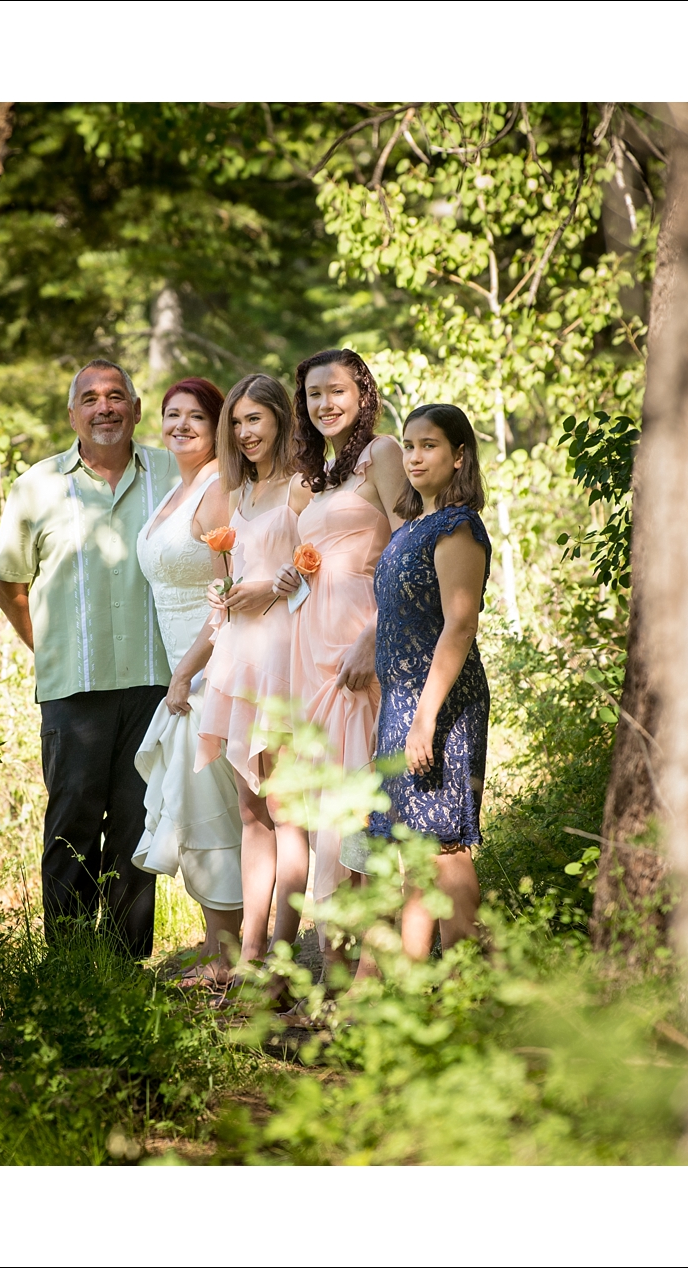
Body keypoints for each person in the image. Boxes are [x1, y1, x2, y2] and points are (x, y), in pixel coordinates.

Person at [0, 359, 179, 957]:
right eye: (91, 398)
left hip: (157, 685)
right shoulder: (37, 486)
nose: (105, 407)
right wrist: (48, 649)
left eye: (116, 396)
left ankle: (125, 965)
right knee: (72, 821)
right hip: (74, 687)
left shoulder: (175, 474)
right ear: (73, 414)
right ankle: (70, 965)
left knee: (137, 825)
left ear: (136, 408)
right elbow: (9, 582)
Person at [270, 349, 408, 919]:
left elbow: (408, 551)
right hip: (311, 645)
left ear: (362, 395)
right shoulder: (317, 478)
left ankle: (370, 973)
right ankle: (335, 973)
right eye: (313, 394)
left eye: (336, 391)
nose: (324, 403)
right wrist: (290, 577)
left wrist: (375, 637)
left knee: (357, 803)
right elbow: (316, 556)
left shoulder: (383, 454)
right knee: (325, 798)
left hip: (359, 639)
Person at [355, 403, 491, 959]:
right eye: (409, 445)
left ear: (459, 456)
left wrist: (426, 717)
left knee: (446, 847)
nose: (413, 456)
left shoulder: (457, 527)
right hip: (403, 703)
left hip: (443, 704)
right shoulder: (411, 527)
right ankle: (411, 985)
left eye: (429, 445)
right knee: (415, 846)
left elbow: (459, 626)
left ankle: (466, 982)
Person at [195, 374, 314, 969]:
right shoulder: (236, 497)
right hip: (240, 656)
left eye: (254, 421)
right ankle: (250, 952)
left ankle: (286, 959)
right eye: (236, 423)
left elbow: (318, 569)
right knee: (251, 810)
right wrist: (227, 595)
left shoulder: (300, 488)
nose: (244, 433)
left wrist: (272, 584)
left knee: (288, 810)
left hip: (281, 655)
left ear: (279, 421)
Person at [130, 377, 245, 983]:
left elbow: (228, 594)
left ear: (218, 424)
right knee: (200, 796)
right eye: (171, 415)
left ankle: (232, 949)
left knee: (211, 799)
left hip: (212, 663)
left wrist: (187, 672)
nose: (180, 425)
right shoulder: (173, 492)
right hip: (183, 667)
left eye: (195, 417)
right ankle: (216, 939)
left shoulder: (221, 489)